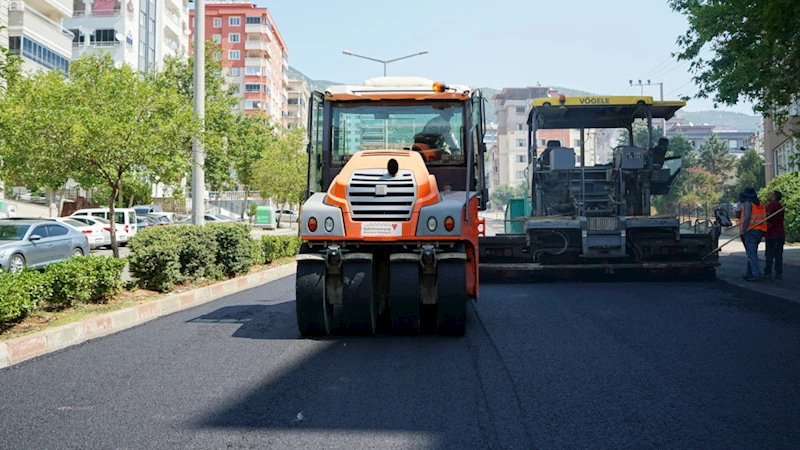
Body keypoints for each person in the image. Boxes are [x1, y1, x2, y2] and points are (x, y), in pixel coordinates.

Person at [738, 186, 768, 281]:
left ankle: (756, 274)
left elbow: (746, 217)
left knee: (751, 254)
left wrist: (743, 229)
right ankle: (749, 273)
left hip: (750, 230)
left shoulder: (747, 203)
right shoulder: (760, 204)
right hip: (760, 230)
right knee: (752, 253)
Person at [764, 190, 785, 280]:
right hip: (780, 233)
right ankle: (778, 273)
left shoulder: (772, 205)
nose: (769, 195)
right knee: (778, 254)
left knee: (769, 254)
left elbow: (766, 216)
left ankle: (768, 272)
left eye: (771, 194)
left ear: (774, 197)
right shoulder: (780, 206)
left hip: (772, 234)